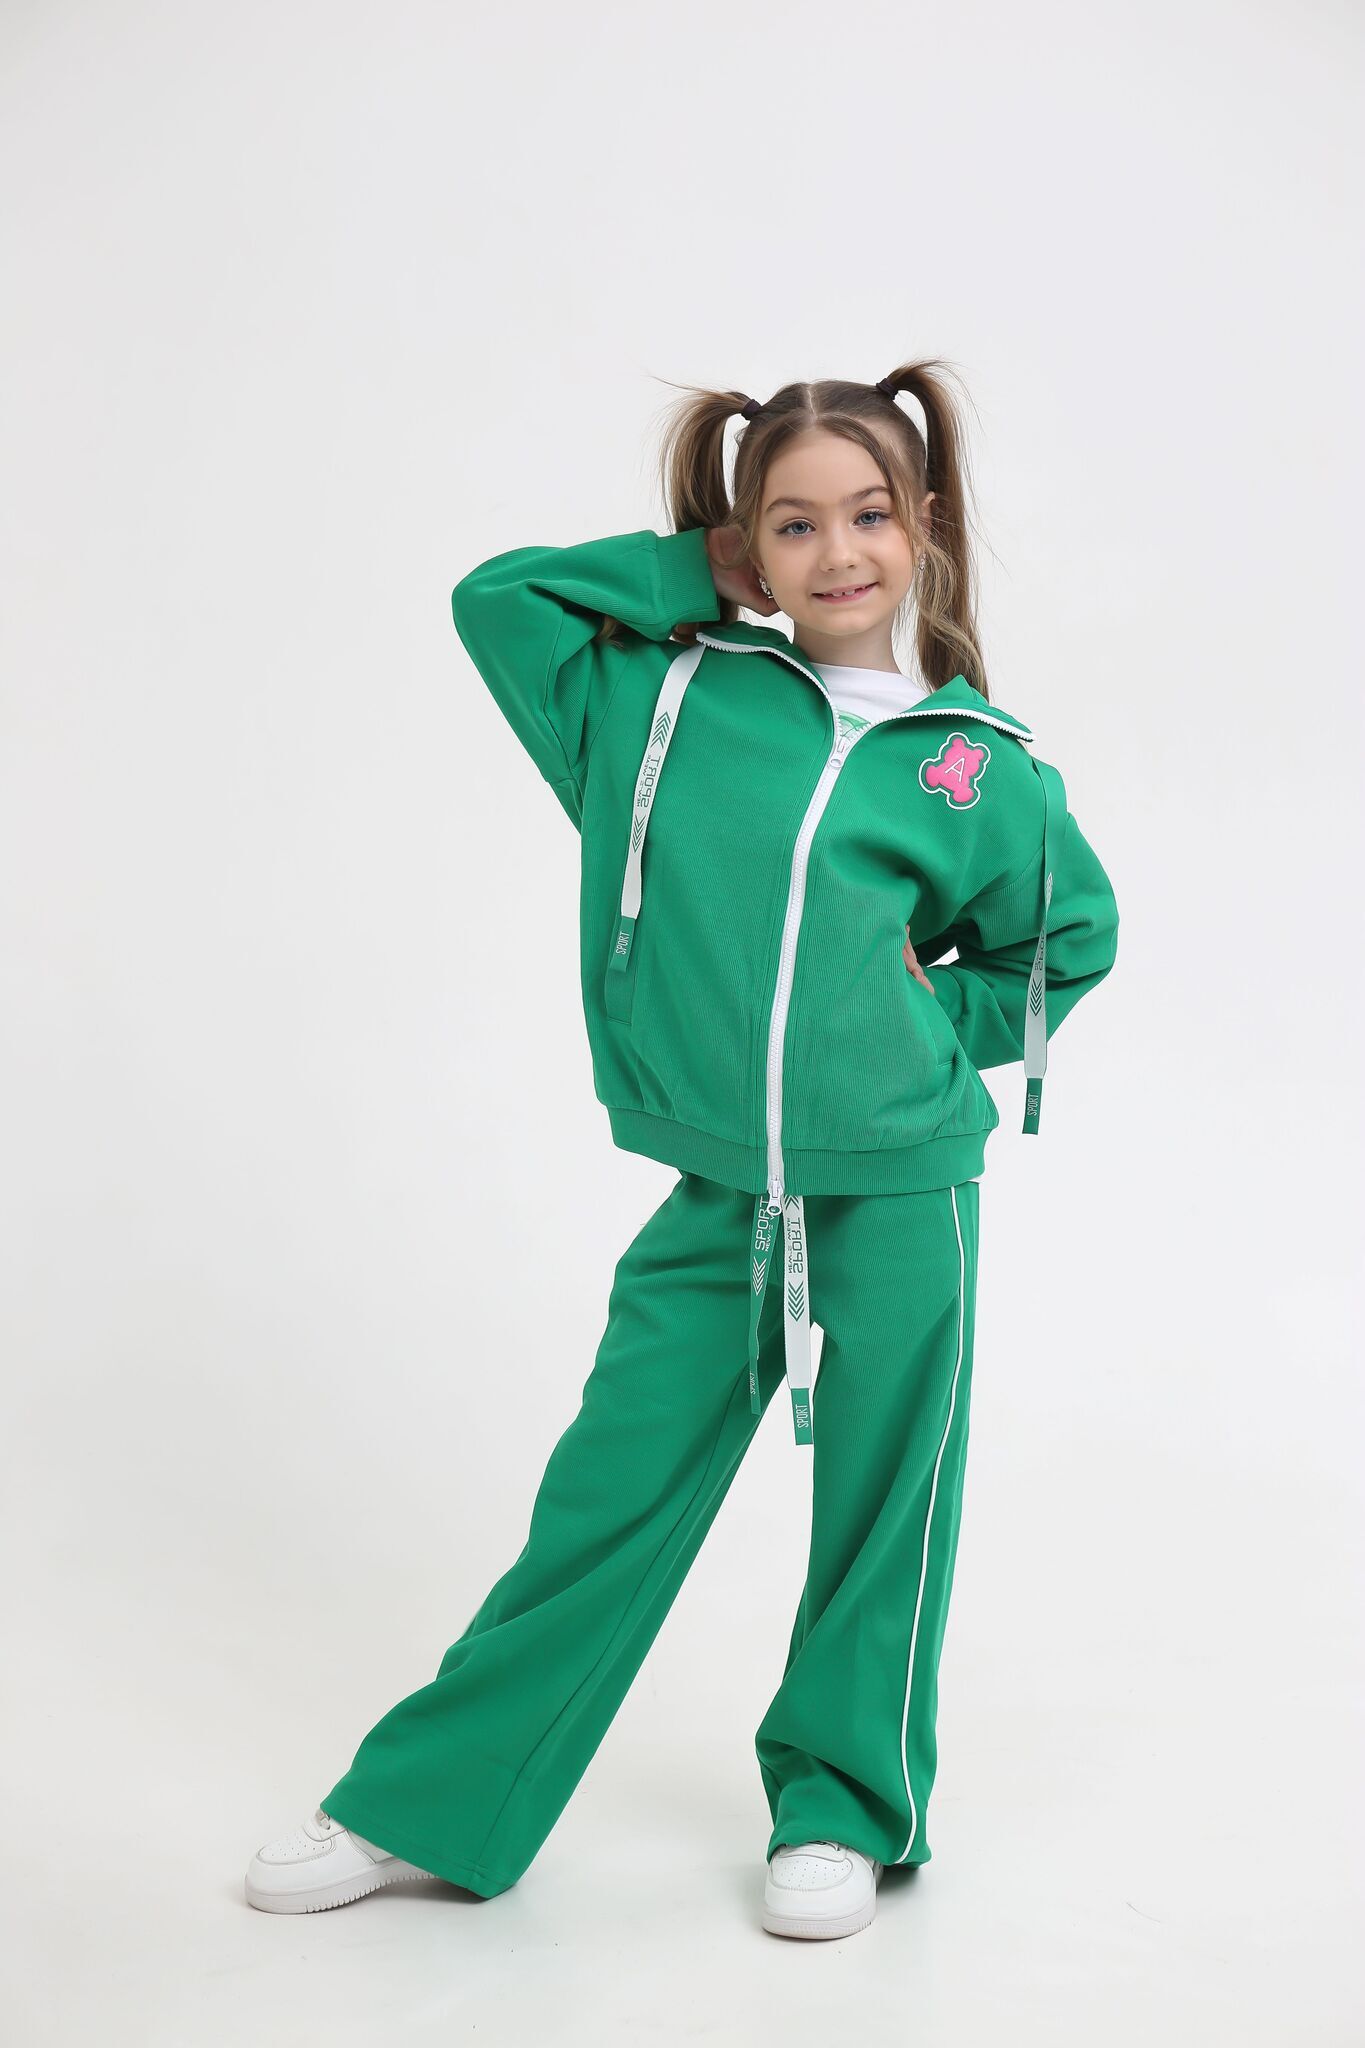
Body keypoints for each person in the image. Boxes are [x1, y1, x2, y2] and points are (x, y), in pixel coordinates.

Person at [244, 360, 1120, 1941]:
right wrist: (693, 573)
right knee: (608, 1494)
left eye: (867, 514)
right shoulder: (665, 702)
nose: (836, 552)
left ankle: (844, 1809)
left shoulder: (979, 768)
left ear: (922, 525)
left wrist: (929, 1024)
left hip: (903, 1188)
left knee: (885, 1513)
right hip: (725, 1185)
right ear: (747, 546)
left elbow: (1065, 943)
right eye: (792, 524)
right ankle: (431, 1801)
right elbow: (497, 602)